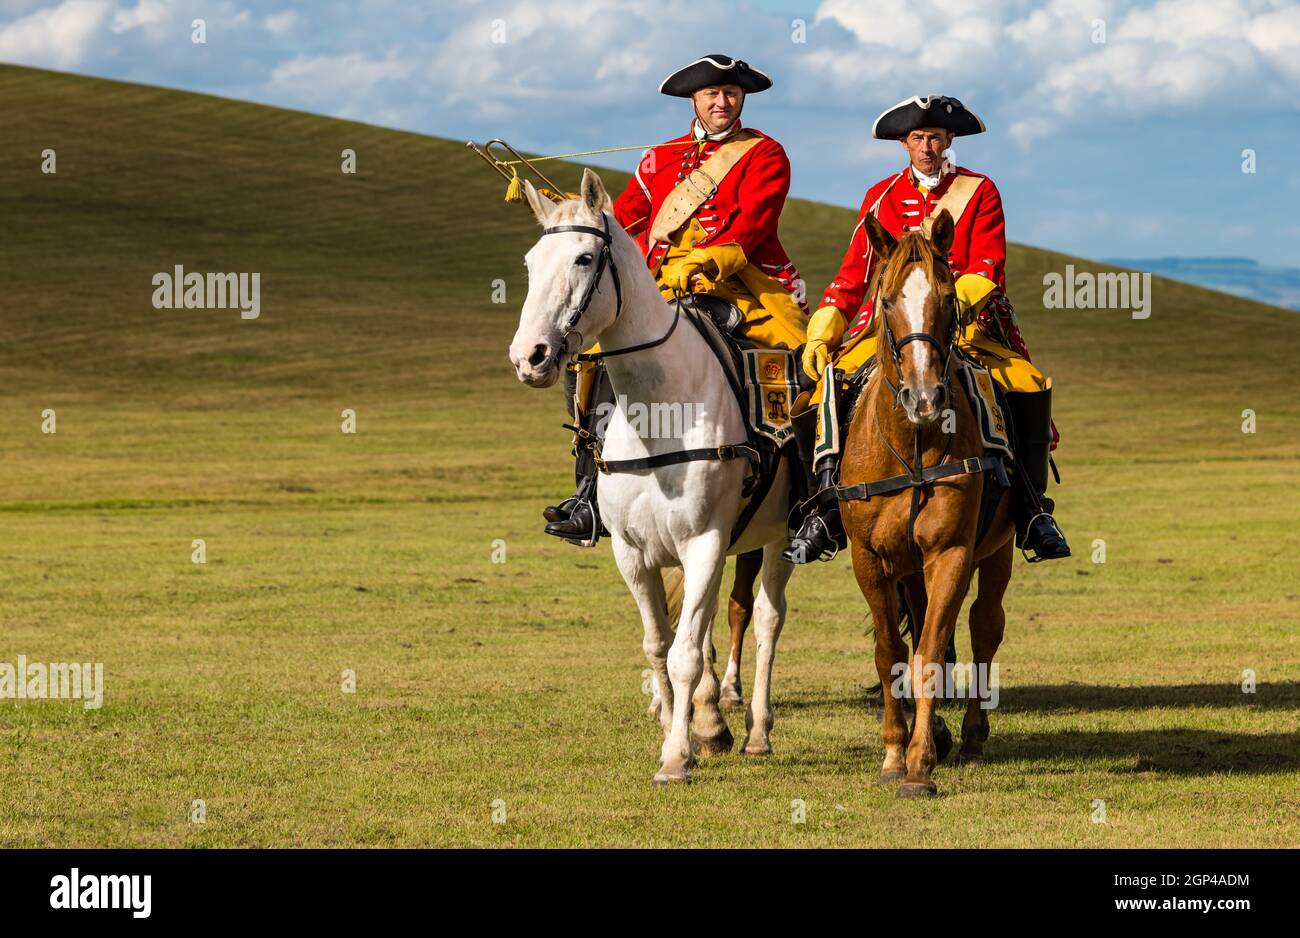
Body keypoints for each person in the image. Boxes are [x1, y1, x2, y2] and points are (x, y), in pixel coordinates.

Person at [784, 94, 1070, 564]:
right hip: (893, 333)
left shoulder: (979, 191)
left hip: (967, 326)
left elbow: (987, 265)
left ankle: (1033, 509)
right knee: (824, 388)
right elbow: (852, 276)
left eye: (935, 137)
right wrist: (823, 330)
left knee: (1025, 384)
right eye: (917, 138)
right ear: (904, 142)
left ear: (949, 139)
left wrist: (946, 309)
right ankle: (825, 509)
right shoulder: (880, 197)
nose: (927, 147)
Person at [544, 54, 808, 545]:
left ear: (742, 98)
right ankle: (587, 490)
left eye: (730, 93)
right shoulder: (660, 157)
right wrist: (576, 219)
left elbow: (754, 224)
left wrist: (707, 260)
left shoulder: (765, 154)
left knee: (801, 363)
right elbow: (623, 220)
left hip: (743, 284)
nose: (722, 102)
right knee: (593, 362)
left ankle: (808, 494)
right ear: (695, 99)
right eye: (712, 93)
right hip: (661, 285)